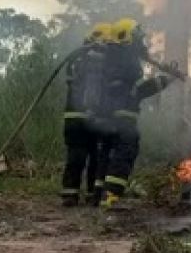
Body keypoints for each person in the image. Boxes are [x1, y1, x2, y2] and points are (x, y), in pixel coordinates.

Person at [98, 18, 177, 209]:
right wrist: (165, 80)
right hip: (123, 117)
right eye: (138, 39)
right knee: (125, 152)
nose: (142, 44)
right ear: (127, 38)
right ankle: (110, 197)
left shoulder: (112, 56)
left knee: (106, 155)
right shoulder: (126, 60)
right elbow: (139, 90)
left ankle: (98, 195)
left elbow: (137, 90)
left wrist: (165, 80)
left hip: (107, 117)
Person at [60, 22, 113, 207]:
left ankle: (70, 194)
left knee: (75, 155)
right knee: (96, 157)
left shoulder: (76, 59)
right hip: (91, 117)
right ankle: (93, 195)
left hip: (72, 117)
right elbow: (93, 90)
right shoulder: (97, 60)